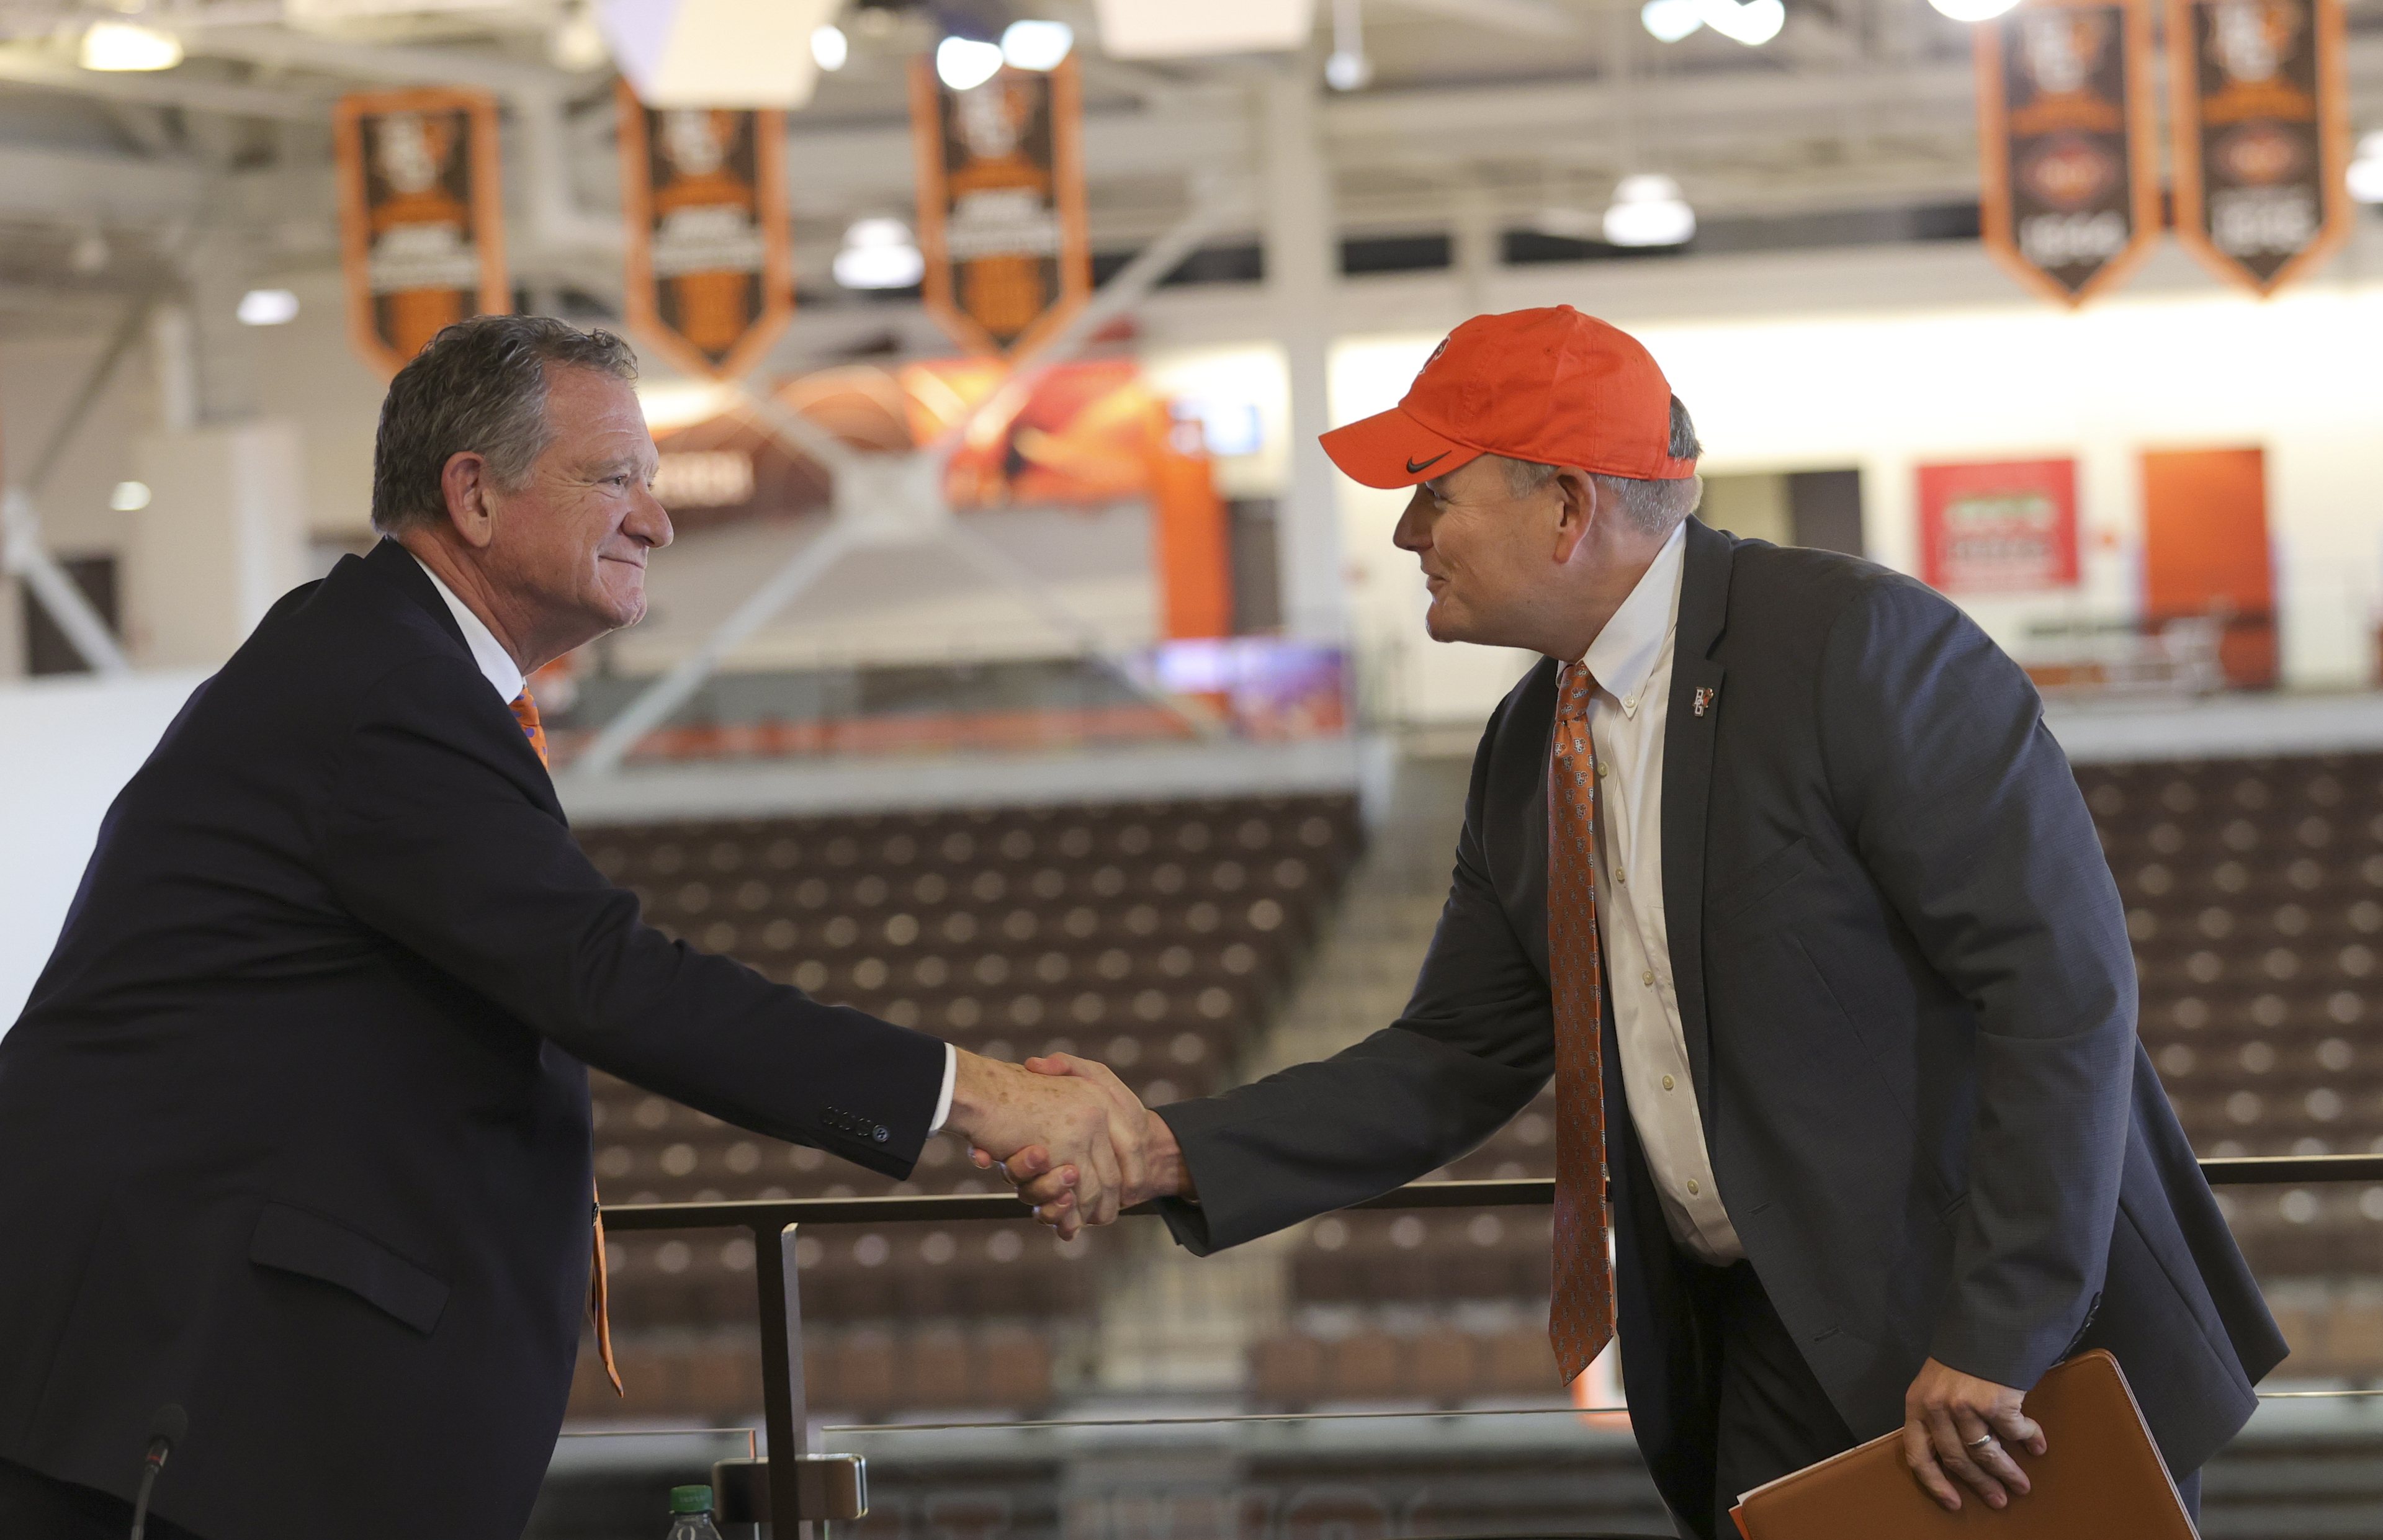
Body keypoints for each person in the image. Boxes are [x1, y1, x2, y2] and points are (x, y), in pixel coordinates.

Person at [990, 305, 2286, 1539]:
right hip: (1758, 1342)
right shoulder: (1521, 751)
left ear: (1567, 505)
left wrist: (1996, 1334)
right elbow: (1451, 1056)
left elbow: (2061, 995)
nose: (1404, 534)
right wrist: (1166, 1148)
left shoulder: (1861, 645)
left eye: (1434, 489)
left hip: (1996, 1356)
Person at [0, 316, 1138, 1540]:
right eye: (616, 479)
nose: (656, 517)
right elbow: (606, 976)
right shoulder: (380, 691)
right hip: (179, 1411)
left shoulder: (380, 661)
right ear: (474, 494)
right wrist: (977, 1093)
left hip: (204, 1402)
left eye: (652, 481)